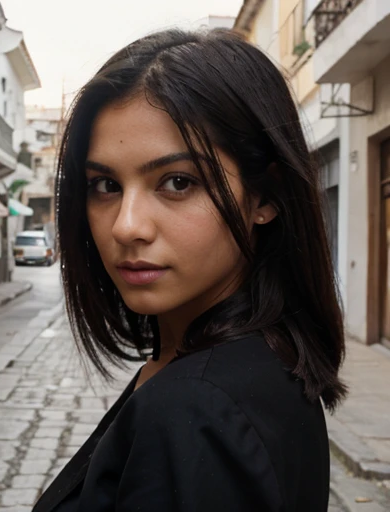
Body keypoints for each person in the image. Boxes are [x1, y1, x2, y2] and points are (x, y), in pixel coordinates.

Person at [32, 28, 347, 512]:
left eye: (178, 182)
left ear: (264, 197)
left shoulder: (198, 409)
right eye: (104, 185)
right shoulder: (260, 365)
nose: (126, 226)